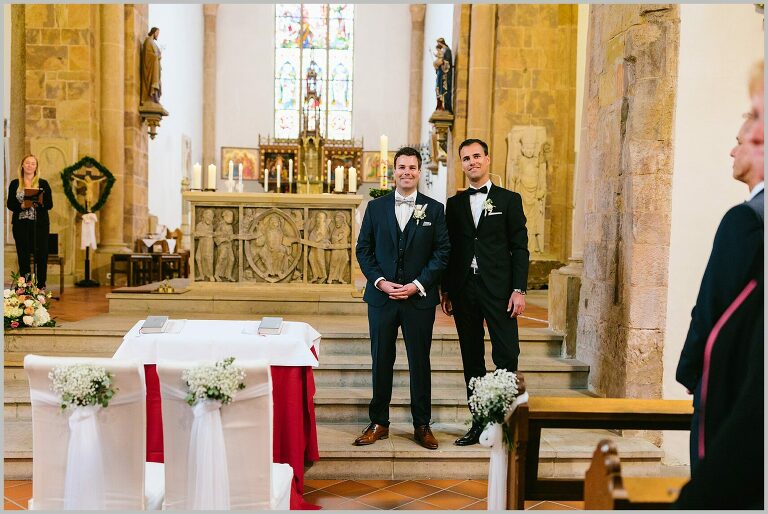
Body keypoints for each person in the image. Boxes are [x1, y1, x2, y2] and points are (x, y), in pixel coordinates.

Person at [675, 60, 764, 509]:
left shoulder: (745, 220)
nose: (735, 149)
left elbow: (713, 308)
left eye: (746, 131)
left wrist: (692, 371)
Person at [354, 146, 450, 450]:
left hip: (418, 299)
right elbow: (363, 250)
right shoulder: (376, 207)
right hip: (382, 299)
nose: (406, 172)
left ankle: (422, 425)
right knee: (381, 359)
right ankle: (379, 421)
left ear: (419, 172)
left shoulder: (434, 210)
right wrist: (381, 282)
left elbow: (443, 252)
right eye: (401, 167)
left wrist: (417, 284)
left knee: (419, 361)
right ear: (393, 171)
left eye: (412, 167)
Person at [441, 138, 529, 446]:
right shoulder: (454, 204)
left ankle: (505, 421)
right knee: (472, 358)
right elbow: (449, 249)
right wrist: (447, 289)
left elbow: (519, 248)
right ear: (462, 164)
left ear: (487, 159)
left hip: (500, 289)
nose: (472, 162)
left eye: (477, 156)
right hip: (465, 289)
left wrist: (518, 289)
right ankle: (478, 422)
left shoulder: (509, 200)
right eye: (466, 158)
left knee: (506, 353)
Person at [7, 155, 54, 289]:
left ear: (36, 167)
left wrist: (38, 203)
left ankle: (40, 286)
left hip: (39, 225)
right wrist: (21, 206)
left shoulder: (43, 183)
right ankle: (25, 285)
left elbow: (49, 204)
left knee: (42, 254)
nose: (30, 165)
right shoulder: (15, 183)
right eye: (27, 163)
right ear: (22, 165)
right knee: (23, 255)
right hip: (21, 224)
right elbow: (10, 204)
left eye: (33, 163)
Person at [141, 27, 162, 105]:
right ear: (154, 32)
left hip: (155, 67)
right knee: (153, 82)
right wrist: (156, 56)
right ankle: (152, 95)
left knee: (157, 82)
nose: (158, 35)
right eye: (157, 33)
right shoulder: (148, 41)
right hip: (151, 68)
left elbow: (157, 53)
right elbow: (147, 55)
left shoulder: (153, 43)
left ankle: (155, 95)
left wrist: (158, 55)